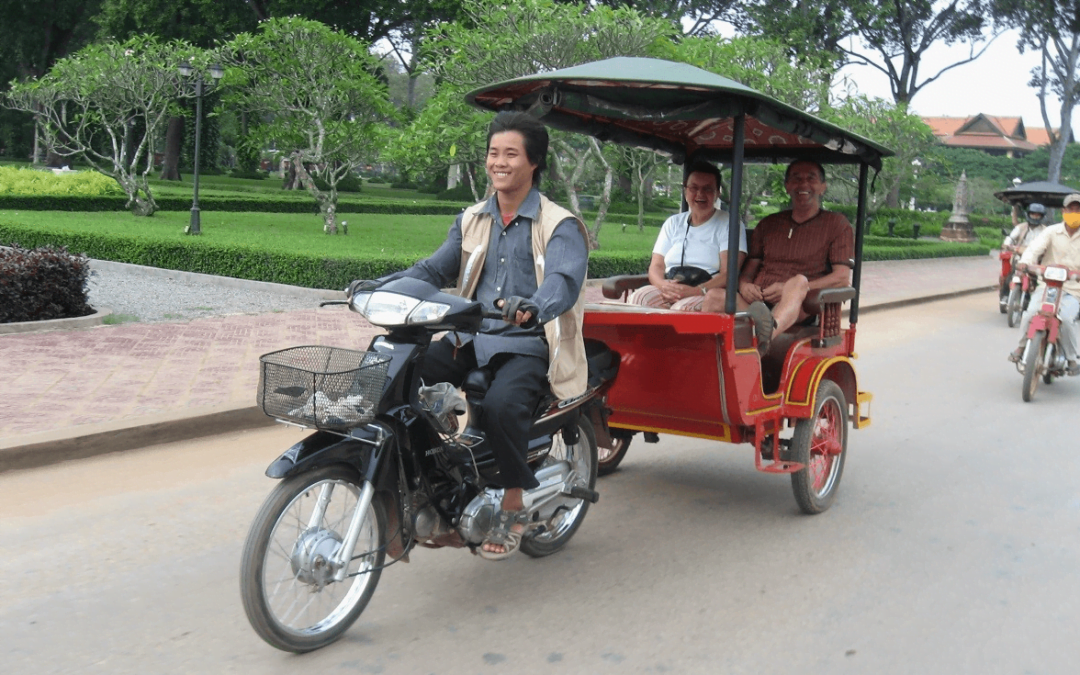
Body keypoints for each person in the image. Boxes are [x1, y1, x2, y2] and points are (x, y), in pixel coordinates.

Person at [365, 111, 589, 560]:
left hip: (525, 344)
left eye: (510, 153)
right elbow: (433, 268)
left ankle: (512, 501)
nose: (498, 162)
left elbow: (563, 281)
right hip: (468, 338)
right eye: (493, 152)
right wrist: (380, 285)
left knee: (505, 406)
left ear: (534, 162)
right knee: (394, 372)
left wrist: (533, 307)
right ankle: (425, 483)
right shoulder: (471, 219)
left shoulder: (559, 224)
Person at [722, 160, 854, 354]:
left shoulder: (836, 224)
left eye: (811, 178)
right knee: (716, 297)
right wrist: (744, 285)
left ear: (822, 187)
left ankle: (763, 340)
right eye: (796, 179)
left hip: (800, 304)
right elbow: (750, 269)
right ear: (787, 186)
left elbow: (842, 278)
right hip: (756, 303)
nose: (803, 185)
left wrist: (786, 289)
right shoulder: (768, 224)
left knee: (798, 282)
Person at [629, 161, 746, 310]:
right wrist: (663, 285)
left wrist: (695, 291)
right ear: (685, 191)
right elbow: (656, 265)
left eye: (707, 189)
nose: (700, 194)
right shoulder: (673, 223)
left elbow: (729, 274)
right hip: (670, 286)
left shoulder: (729, 224)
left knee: (681, 310)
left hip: (705, 291)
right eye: (694, 188)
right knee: (639, 299)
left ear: (717, 193)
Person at [1008, 193, 1080, 375]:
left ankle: (1072, 358)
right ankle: (1021, 348)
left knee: (1067, 320)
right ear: (1063, 211)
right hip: (1048, 286)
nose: (1075, 213)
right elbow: (1034, 249)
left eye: (1078, 210)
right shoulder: (1051, 231)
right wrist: (1025, 262)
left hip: (1073, 289)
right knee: (1030, 313)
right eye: (1071, 209)